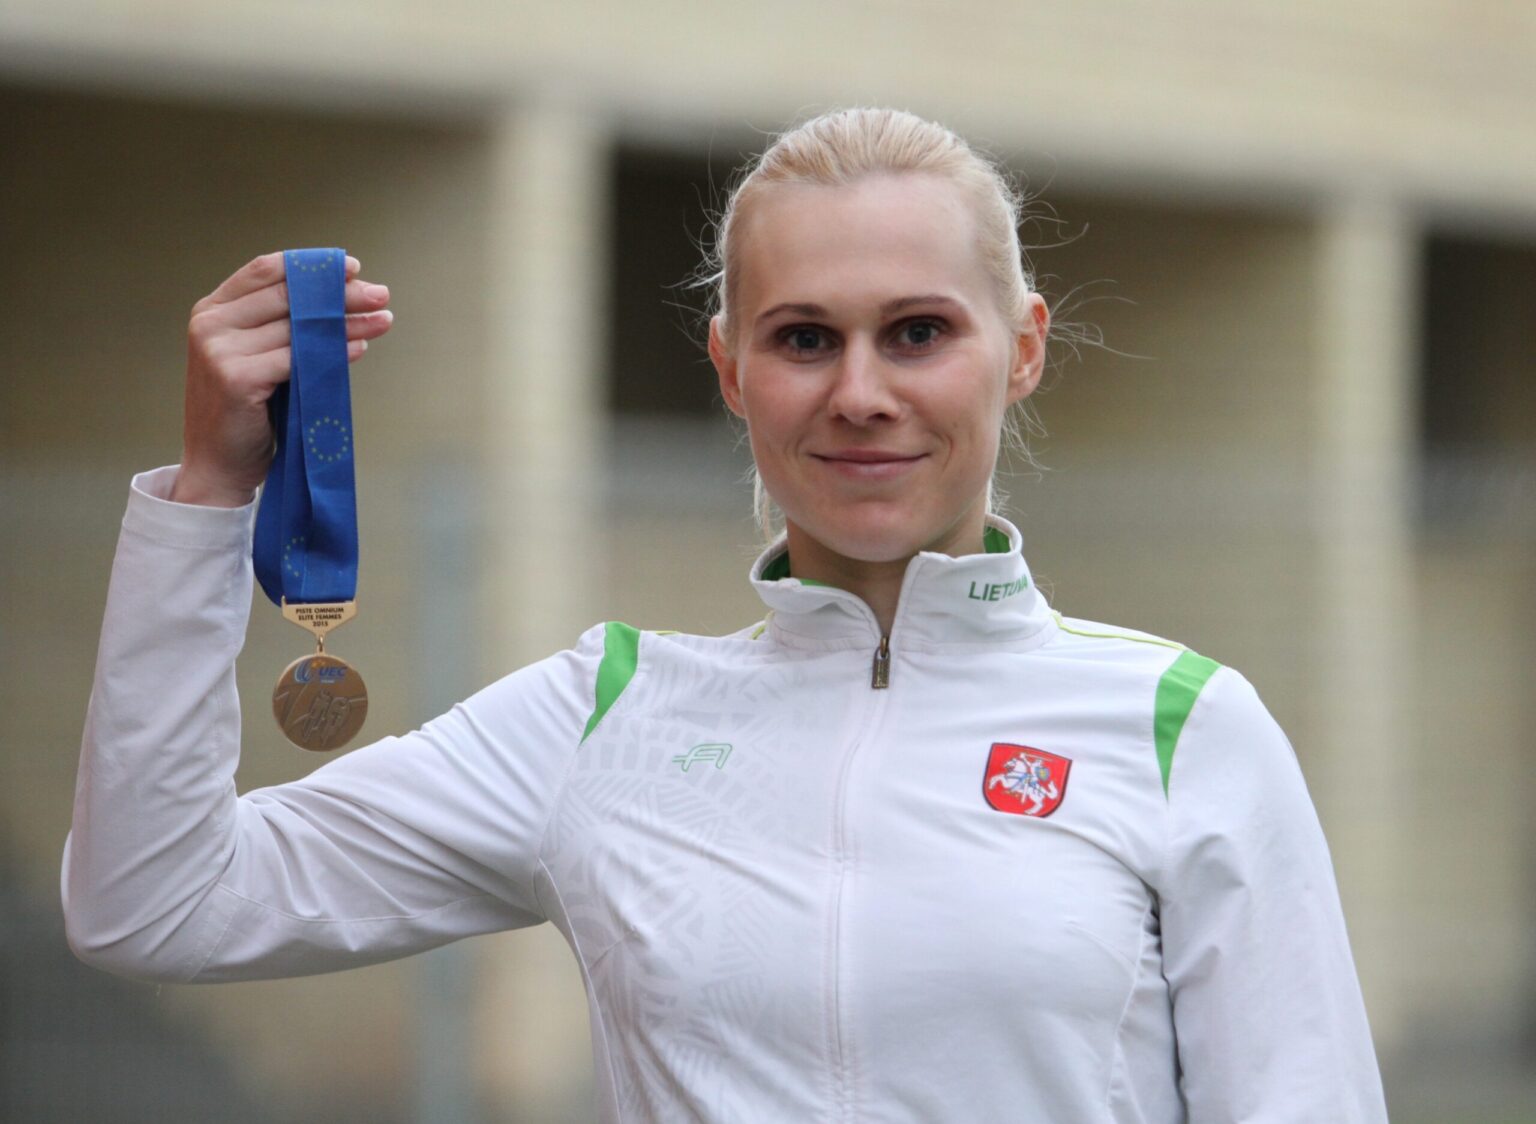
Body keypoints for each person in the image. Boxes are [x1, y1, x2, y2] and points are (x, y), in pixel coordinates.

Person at [63, 107, 1389, 1121]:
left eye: (918, 332)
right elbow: (156, 904)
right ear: (731, 368)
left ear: (1023, 347)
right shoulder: (605, 716)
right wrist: (209, 495)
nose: (860, 392)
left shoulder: (1179, 725)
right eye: (804, 338)